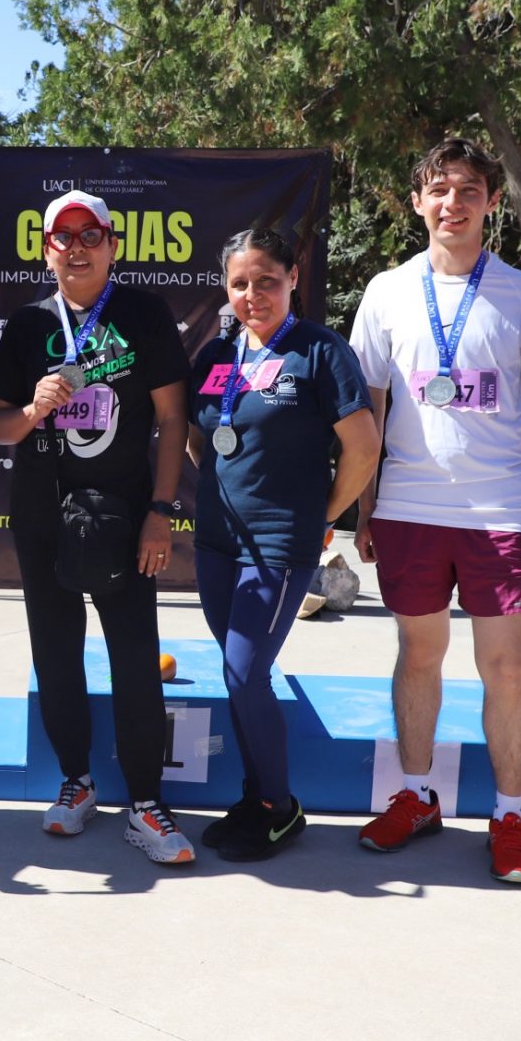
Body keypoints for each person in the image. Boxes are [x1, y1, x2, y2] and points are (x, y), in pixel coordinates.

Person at [348, 139, 521, 882]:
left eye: (469, 189)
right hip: (408, 505)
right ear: (417, 202)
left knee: (506, 665)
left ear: (492, 202)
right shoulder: (386, 291)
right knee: (418, 655)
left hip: (501, 507)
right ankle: (416, 796)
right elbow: (369, 406)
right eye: (438, 189)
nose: (453, 203)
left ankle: (509, 815)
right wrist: (365, 507)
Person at [0, 190, 197, 863]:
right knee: (56, 653)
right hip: (43, 513)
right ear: (45, 249)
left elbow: (173, 419)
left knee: (135, 659)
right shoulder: (28, 324)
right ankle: (75, 782)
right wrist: (32, 410)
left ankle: (146, 803)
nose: (76, 247)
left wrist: (161, 512)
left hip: (124, 515)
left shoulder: (143, 313)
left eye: (90, 234)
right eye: (62, 236)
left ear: (112, 245)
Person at [184, 227, 377, 860]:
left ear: (293, 278)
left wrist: (323, 514)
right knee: (237, 676)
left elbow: (363, 447)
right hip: (217, 540)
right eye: (239, 283)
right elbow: (198, 437)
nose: (253, 294)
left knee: (246, 672)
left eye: (267, 280)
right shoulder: (218, 354)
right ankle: (253, 797)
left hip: (278, 543)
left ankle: (279, 807)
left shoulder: (320, 350)